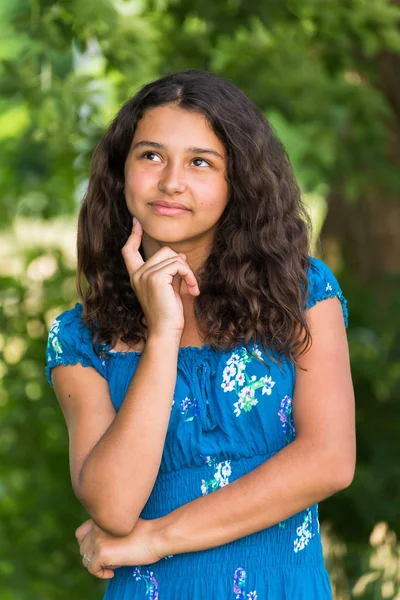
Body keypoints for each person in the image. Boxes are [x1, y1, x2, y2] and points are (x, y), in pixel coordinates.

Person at [45, 70, 355, 600]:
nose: (171, 182)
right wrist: (163, 333)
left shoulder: (300, 292)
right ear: (121, 174)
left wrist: (157, 538)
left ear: (240, 182)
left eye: (200, 162)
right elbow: (114, 507)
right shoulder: (81, 338)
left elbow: (329, 460)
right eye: (150, 156)